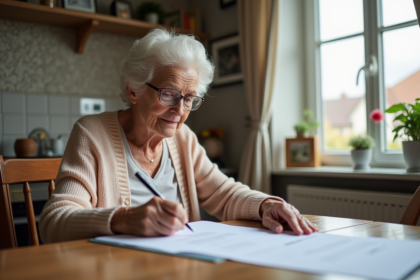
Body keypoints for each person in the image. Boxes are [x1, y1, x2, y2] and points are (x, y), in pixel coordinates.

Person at [39, 29, 318, 243]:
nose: (179, 110)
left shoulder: (183, 139)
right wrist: (123, 219)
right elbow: (54, 222)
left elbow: (223, 193)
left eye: (189, 99)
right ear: (134, 90)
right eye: (169, 94)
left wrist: (266, 205)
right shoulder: (92, 133)